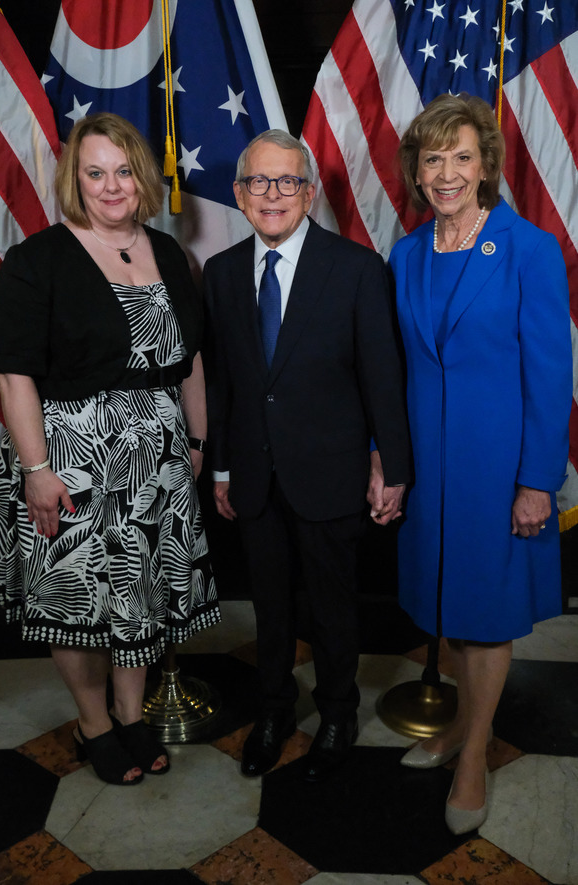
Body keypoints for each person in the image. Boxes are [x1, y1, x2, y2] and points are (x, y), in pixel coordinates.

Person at [0, 112, 219, 785]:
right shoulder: (39, 258)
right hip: (68, 456)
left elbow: (191, 359)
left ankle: (131, 714)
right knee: (78, 602)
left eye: (123, 170)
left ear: (141, 176)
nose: (111, 186)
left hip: (157, 458)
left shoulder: (171, 252)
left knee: (139, 596)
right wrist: (35, 470)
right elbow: (14, 374)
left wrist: (197, 437)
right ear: (75, 179)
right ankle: (94, 724)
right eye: (96, 172)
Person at [203, 129, 410, 782]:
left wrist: (393, 466)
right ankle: (273, 710)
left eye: (287, 181)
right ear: (239, 194)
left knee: (331, 603)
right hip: (256, 476)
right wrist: (225, 468)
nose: (273, 195)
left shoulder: (354, 268)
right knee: (270, 604)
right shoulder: (222, 273)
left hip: (331, 472)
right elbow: (225, 383)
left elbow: (383, 377)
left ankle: (339, 710)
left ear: (310, 193)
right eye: (259, 182)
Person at [390, 94, 571, 834]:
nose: (447, 172)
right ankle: (467, 724)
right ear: (417, 169)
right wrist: (385, 456)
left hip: (500, 468)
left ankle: (472, 757)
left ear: (487, 164)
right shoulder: (405, 252)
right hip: (431, 469)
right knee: (450, 608)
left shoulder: (527, 248)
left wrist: (538, 479)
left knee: (488, 617)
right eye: (433, 158)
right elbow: (394, 366)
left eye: (461, 156)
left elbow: (551, 372)